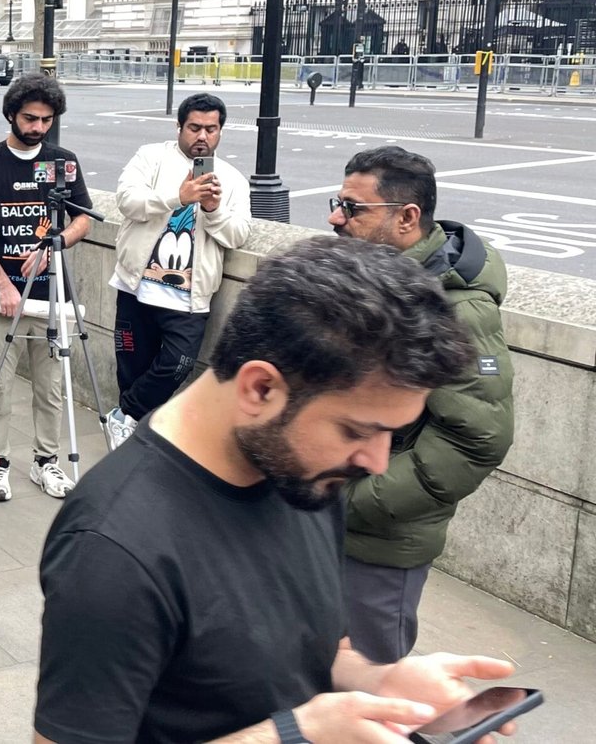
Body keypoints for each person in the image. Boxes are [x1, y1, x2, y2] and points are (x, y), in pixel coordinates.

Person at [33, 236, 520, 744]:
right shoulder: (113, 552)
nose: (377, 463)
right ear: (260, 389)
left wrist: (380, 682)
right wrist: (293, 735)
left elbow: (317, 650)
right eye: (358, 431)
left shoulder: (301, 473)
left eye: (391, 435)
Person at [328, 146, 516, 665]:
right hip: (326, 515)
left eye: (352, 208)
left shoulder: (456, 308)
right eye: (337, 202)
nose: (335, 217)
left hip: (379, 541)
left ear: (407, 217)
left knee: (371, 682)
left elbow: (477, 437)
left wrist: (355, 500)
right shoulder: (374, 276)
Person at [0, 73, 92, 502]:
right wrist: (2, 282)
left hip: (51, 297)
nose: (38, 127)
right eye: (30, 118)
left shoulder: (62, 161)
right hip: (1, 295)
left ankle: (46, 461)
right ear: (11, 114)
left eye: (46, 120)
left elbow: (83, 219)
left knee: (51, 387)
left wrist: (55, 247)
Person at [106, 92, 252, 448]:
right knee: (132, 366)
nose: (202, 136)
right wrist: (178, 196)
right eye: (194, 128)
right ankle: (137, 433)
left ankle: (123, 416)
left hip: (189, 298)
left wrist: (214, 209)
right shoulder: (151, 157)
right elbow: (127, 201)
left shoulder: (232, 180)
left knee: (178, 364)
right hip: (136, 287)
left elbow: (238, 235)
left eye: (211, 129)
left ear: (221, 132)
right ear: (179, 127)